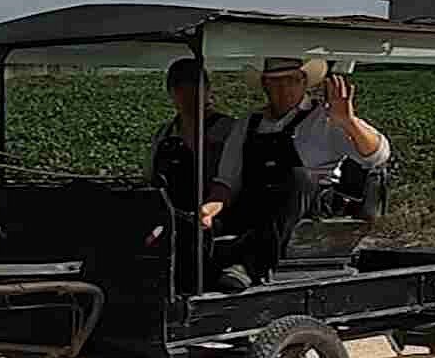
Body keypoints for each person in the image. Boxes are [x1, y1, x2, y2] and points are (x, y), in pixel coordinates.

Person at [195, 56, 390, 291]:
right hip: (257, 203)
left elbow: (376, 155)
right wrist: (210, 208)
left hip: (311, 206)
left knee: (298, 177)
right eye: (275, 82)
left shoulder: (327, 118)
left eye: (291, 80)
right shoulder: (248, 123)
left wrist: (348, 122)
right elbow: (227, 180)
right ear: (265, 85)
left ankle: (251, 262)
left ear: (304, 82)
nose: (283, 88)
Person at [145, 57, 237, 261]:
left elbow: (232, 180)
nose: (189, 96)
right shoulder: (164, 134)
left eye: (196, 88)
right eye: (181, 89)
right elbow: (151, 177)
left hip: (214, 215)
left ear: (208, 90)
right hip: (168, 215)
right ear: (172, 93)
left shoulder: (228, 130)